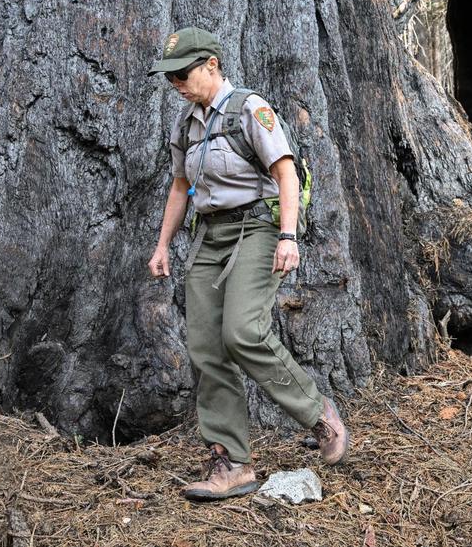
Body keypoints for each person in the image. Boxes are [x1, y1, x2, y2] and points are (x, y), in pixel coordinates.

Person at [147, 26, 349, 501]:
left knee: (242, 332)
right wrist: (162, 246)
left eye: (183, 72)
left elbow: (286, 173)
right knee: (205, 348)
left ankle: (319, 414)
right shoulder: (186, 125)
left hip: (257, 230)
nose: (175, 81)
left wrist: (287, 235)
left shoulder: (249, 110)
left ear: (212, 66)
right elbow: (181, 187)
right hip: (209, 237)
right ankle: (232, 462)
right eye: (169, 75)